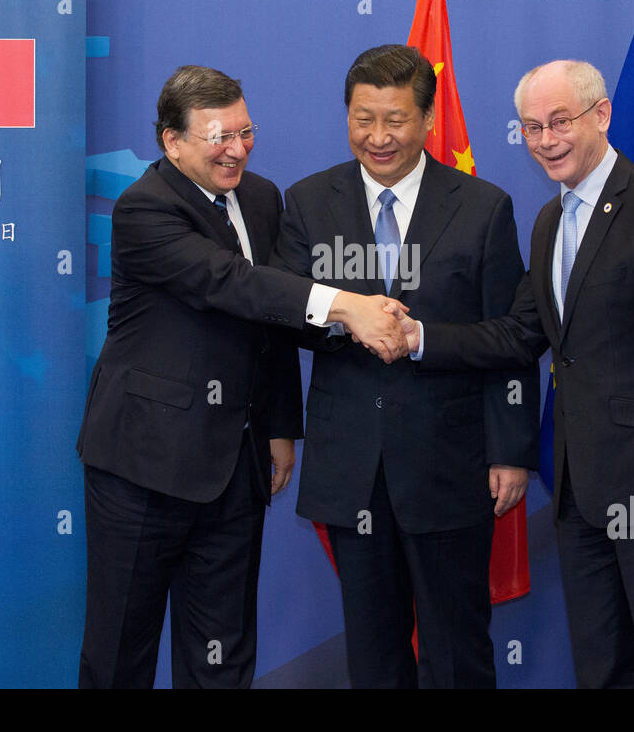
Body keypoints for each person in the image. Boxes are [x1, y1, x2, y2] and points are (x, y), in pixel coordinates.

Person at [76, 64, 409, 689]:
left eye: (245, 131)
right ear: (171, 141)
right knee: (120, 650)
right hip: (141, 466)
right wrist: (346, 305)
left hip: (236, 464)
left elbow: (272, 317)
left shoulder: (259, 197)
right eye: (218, 136)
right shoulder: (144, 208)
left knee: (222, 655)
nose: (237, 149)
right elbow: (232, 284)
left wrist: (281, 425)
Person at [404, 59, 634, 688]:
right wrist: (419, 337)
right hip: (579, 493)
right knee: (602, 671)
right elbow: (521, 334)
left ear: (601, 115)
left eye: (559, 122)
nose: (545, 140)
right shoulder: (551, 221)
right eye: (531, 127)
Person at [272, 44, 539, 689]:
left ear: (426, 120)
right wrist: (348, 317)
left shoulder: (483, 206)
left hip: (452, 465)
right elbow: (280, 313)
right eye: (363, 119)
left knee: (455, 652)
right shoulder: (308, 201)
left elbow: (512, 335)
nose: (378, 137)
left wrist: (510, 450)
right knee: (373, 655)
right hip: (352, 467)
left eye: (395, 120)